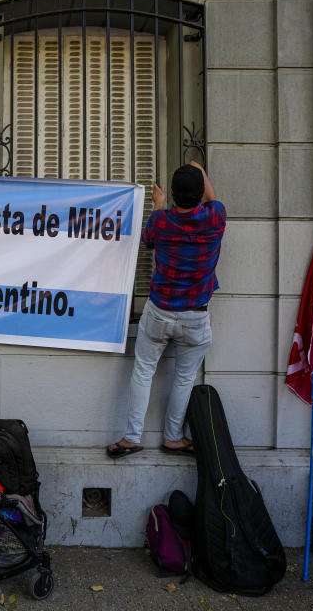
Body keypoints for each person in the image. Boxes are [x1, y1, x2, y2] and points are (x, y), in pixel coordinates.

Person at [107, 161, 226, 458]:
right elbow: (213, 198)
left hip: (159, 311)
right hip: (196, 316)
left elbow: (148, 241)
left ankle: (132, 437)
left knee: (143, 372)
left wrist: (158, 204)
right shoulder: (215, 217)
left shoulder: (160, 220)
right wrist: (200, 169)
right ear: (200, 193)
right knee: (184, 378)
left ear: (171, 192)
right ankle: (173, 438)